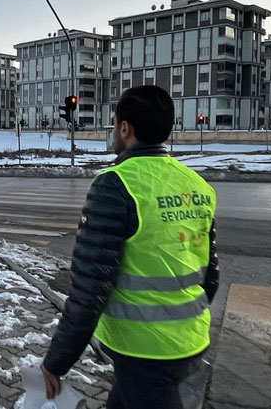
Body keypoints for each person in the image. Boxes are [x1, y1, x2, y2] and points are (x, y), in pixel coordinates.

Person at [40, 85, 219, 409]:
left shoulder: (115, 184)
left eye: (114, 124)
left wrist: (56, 362)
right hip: (193, 338)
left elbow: (90, 289)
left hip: (144, 351)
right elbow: (211, 276)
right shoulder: (198, 185)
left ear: (125, 128)